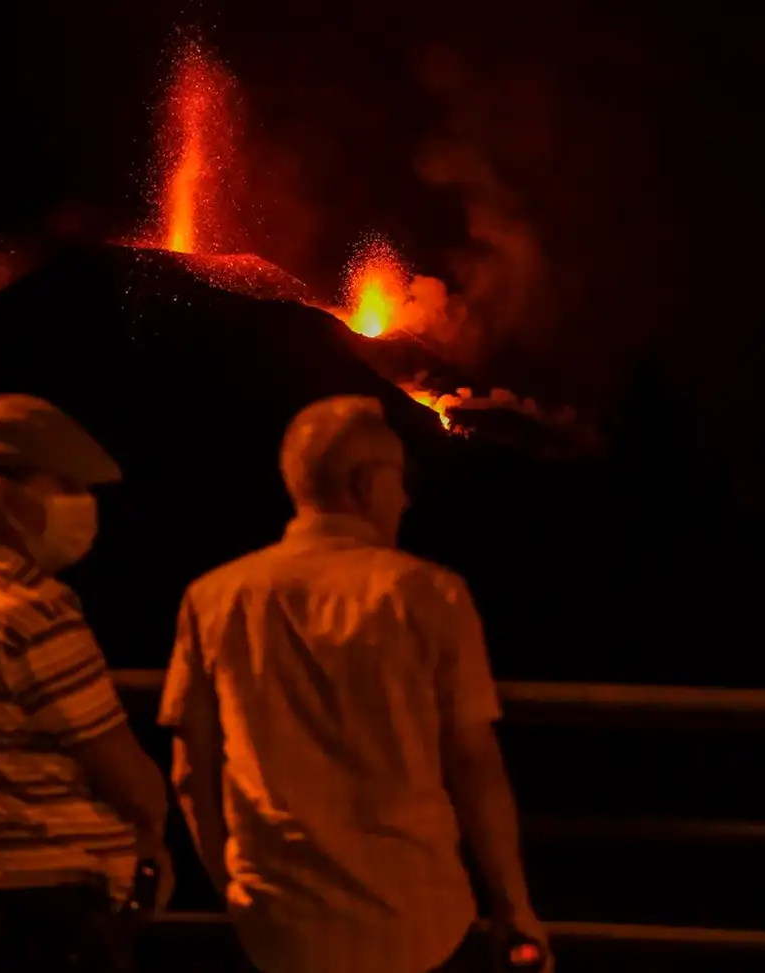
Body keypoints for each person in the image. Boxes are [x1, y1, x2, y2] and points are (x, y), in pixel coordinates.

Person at [160, 395, 550, 973]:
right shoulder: (429, 595)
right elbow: (474, 764)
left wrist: (237, 891)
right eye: (401, 479)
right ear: (365, 484)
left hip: (278, 930)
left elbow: (191, 770)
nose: (407, 498)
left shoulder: (214, 598)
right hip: (415, 926)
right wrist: (515, 909)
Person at [0, 394, 173, 973]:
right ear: (6, 495)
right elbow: (128, 780)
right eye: (68, 488)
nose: (83, 507)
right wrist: (151, 832)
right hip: (47, 926)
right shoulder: (31, 613)